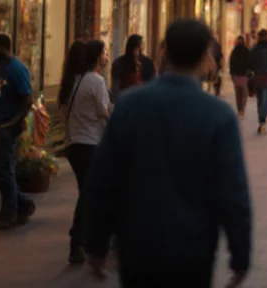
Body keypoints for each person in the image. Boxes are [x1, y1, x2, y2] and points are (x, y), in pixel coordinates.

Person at [83, 19, 251, 287]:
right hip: (193, 247)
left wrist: (95, 243)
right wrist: (240, 255)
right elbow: (233, 193)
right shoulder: (219, 116)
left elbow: (104, 179)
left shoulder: (130, 105)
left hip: (138, 243)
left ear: (165, 53)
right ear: (205, 57)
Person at [63, 39, 111, 264]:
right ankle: (78, 241)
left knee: (88, 192)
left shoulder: (72, 81)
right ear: (96, 56)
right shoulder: (95, 81)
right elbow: (104, 112)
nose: (107, 56)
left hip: (73, 144)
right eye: (104, 52)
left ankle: (85, 240)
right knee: (89, 194)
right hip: (90, 144)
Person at [0, 34, 36, 230]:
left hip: (6, 128)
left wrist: (12, 123)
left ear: (5, 48)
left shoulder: (16, 68)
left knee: (4, 171)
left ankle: (8, 214)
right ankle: (22, 203)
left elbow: (28, 99)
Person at [110, 34, 156, 102]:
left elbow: (152, 84)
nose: (138, 51)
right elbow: (115, 86)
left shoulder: (148, 63)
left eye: (140, 48)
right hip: (125, 99)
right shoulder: (119, 63)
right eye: (137, 48)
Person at [228, 34, 252, 118]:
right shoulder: (246, 50)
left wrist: (231, 73)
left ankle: (240, 110)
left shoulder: (234, 51)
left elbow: (231, 63)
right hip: (243, 75)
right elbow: (250, 62)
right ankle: (241, 110)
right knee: (243, 94)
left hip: (237, 75)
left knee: (238, 94)